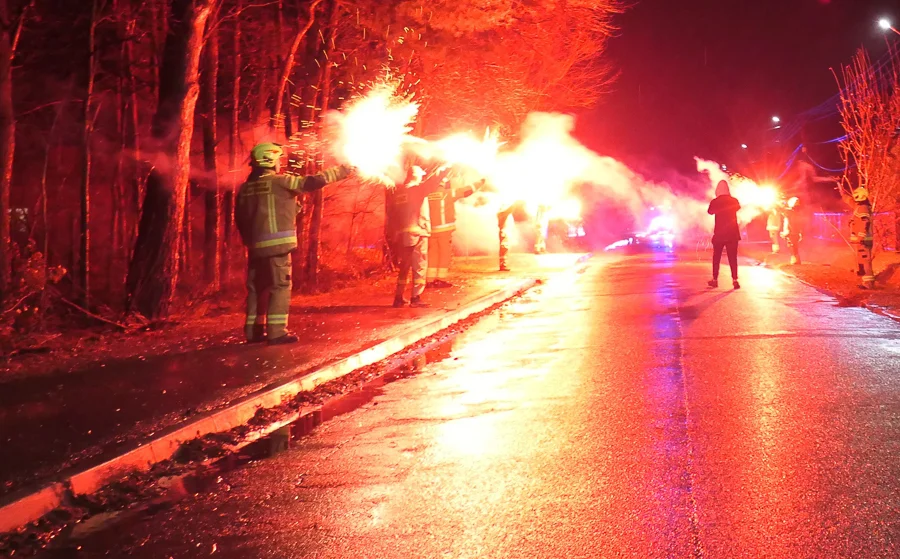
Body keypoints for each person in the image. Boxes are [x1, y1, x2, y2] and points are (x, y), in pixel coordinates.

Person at [235, 143, 350, 345]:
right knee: (280, 285)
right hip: (278, 248)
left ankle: (253, 332)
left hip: (255, 248)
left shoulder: (246, 188)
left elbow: (242, 217)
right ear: (269, 160)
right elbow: (312, 182)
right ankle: (276, 332)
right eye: (278, 158)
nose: (280, 162)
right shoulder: (279, 182)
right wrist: (343, 170)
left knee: (257, 289)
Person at [388, 161, 443, 307]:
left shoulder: (399, 193)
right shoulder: (417, 190)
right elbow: (433, 182)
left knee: (404, 267)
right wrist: (445, 167)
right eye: (421, 176)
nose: (422, 178)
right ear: (415, 176)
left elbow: (392, 215)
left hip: (403, 235)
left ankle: (398, 297)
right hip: (418, 233)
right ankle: (416, 297)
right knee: (419, 266)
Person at [426, 173, 479, 287]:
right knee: (444, 254)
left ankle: (429, 280)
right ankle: (440, 279)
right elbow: (467, 191)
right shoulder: (448, 193)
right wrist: (481, 182)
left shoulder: (428, 195)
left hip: (432, 230)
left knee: (432, 254)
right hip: (445, 230)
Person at [707, 179, 741, 289]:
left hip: (720, 233)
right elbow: (738, 208)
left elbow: (710, 212)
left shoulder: (715, 201)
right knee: (733, 257)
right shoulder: (734, 200)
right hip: (732, 234)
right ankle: (735, 280)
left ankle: (715, 279)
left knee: (716, 257)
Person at [843, 187, 876, 289]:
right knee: (864, 261)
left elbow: (864, 222)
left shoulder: (863, 208)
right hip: (863, 239)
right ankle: (866, 281)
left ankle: (869, 284)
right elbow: (851, 202)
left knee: (866, 262)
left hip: (864, 240)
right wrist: (842, 192)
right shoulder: (862, 207)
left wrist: (860, 236)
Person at [780, 196, 806, 265]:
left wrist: (787, 231)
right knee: (793, 245)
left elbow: (788, 221)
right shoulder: (794, 212)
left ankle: (795, 260)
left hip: (792, 231)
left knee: (792, 245)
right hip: (795, 231)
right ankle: (796, 259)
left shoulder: (790, 212)